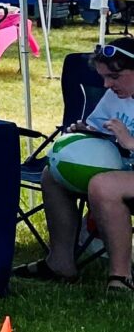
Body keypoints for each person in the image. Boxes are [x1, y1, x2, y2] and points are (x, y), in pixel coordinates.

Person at [17, 40, 134, 296]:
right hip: (124, 170)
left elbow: (126, 142)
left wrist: (130, 142)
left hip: (121, 177)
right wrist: (86, 132)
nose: (107, 85)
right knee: (54, 173)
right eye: (104, 77)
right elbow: (101, 130)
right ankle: (60, 262)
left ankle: (121, 275)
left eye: (114, 77)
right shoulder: (115, 97)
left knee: (103, 185)